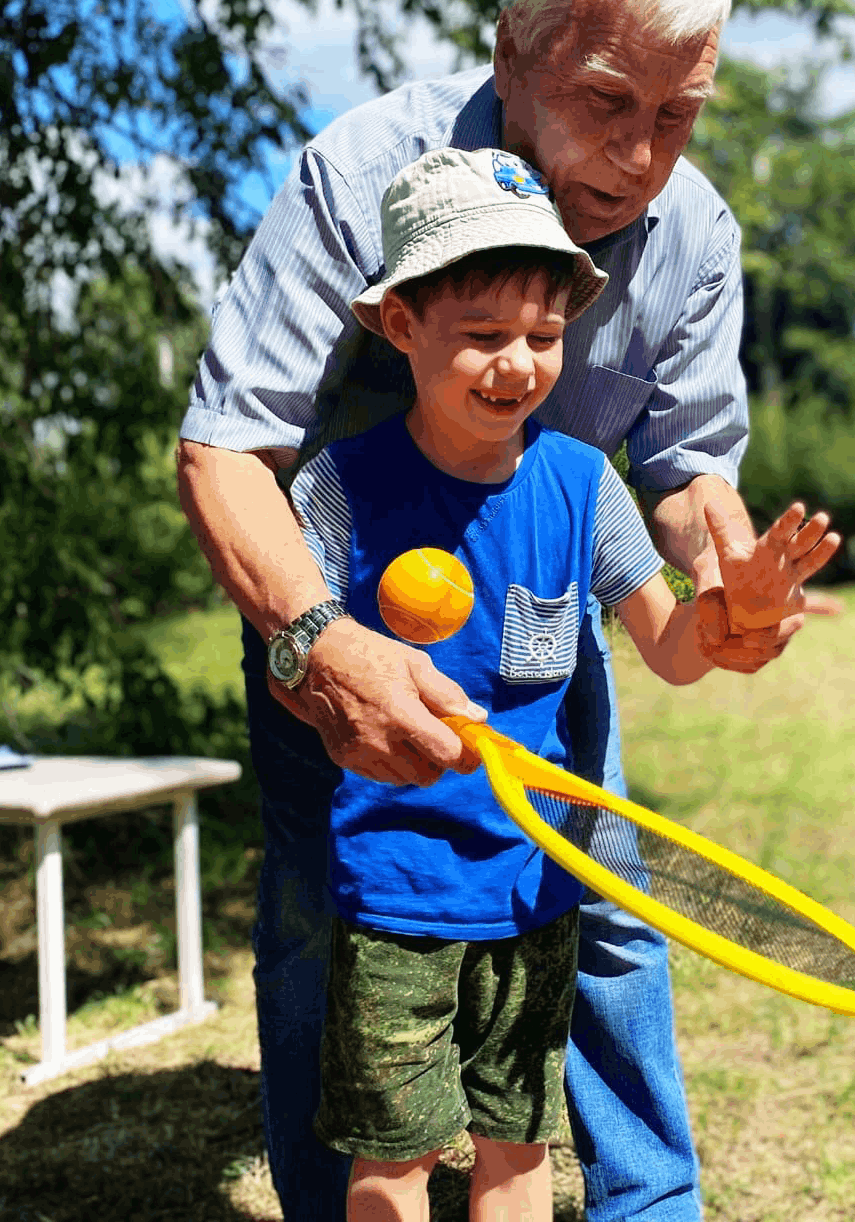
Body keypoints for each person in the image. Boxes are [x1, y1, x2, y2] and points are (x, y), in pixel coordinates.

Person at [176, 0, 838, 1220]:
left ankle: (647, 1204)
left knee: (599, 911)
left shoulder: (695, 233)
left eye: (678, 115)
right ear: (513, 53)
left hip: (544, 620)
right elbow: (227, 451)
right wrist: (317, 644)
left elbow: (686, 474)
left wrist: (727, 595)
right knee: (324, 912)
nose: (646, 155)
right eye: (609, 101)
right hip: (335, 609)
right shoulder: (363, 175)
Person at [300, 146, 807, 1220]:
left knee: (519, 1153)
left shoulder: (584, 484)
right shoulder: (341, 485)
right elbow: (298, 664)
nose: (518, 365)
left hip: (536, 888)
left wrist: (726, 621)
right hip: (395, 892)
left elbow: (669, 647)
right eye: (482, 336)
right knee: (390, 1162)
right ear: (401, 326)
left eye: (541, 337)